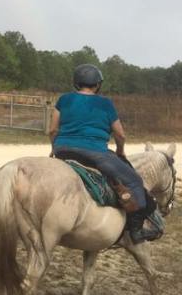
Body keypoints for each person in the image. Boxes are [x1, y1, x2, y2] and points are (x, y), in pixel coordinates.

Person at [49, 64, 159, 243]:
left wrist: (55, 148)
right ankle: (136, 230)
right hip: (94, 153)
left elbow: (53, 130)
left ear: (76, 83)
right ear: (98, 84)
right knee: (134, 181)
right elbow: (120, 134)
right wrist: (120, 151)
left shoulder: (64, 99)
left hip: (63, 149)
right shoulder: (105, 103)